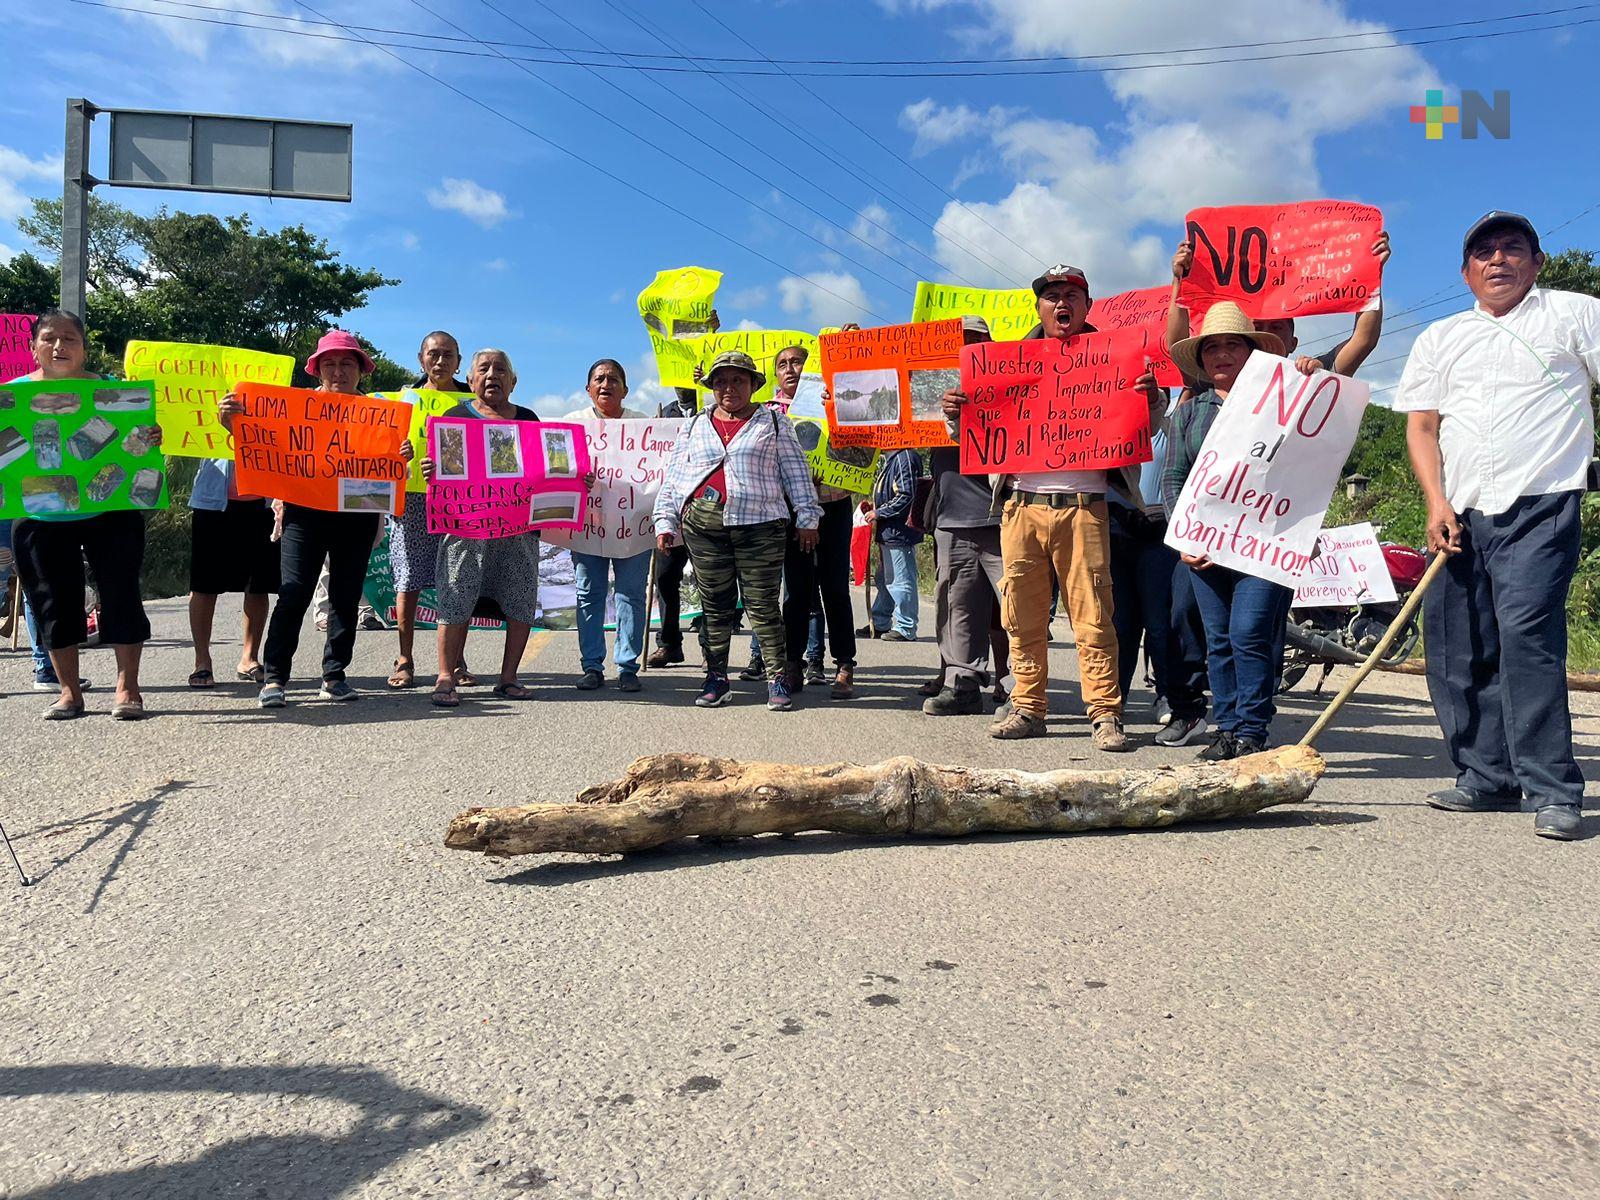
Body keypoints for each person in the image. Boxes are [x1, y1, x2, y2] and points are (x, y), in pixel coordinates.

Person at [1396, 210, 1599, 841]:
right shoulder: (1441, 337)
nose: (1498, 260)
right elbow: (1422, 428)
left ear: (1536, 262)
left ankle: (1551, 788)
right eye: (1484, 252)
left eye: (1513, 248)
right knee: (1456, 645)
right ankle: (1485, 775)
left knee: (1527, 640)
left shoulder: (1573, 313)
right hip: (1458, 513)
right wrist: (1435, 503)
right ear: (1465, 273)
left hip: (1541, 504)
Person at [942, 265, 1167, 749]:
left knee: (1093, 614)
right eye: (1052, 297)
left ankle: (1105, 714)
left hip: (1085, 509)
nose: (1061, 303)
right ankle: (1028, 705)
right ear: (1040, 308)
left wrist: (1150, 400)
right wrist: (957, 416)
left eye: (1072, 296)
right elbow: (970, 441)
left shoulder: (1116, 362)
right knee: (1020, 615)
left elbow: (1149, 423)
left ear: (1087, 307)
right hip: (1020, 508)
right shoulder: (1005, 364)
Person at [222, 329, 412, 708]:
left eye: (346, 363)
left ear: (360, 369)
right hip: (302, 514)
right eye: (330, 364)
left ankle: (334, 674)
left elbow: (389, 473)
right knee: (293, 593)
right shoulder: (295, 407)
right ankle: (275, 678)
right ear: (317, 370)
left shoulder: (380, 415)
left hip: (356, 515)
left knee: (345, 595)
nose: (338, 371)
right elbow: (257, 446)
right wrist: (233, 425)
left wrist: (399, 455)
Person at [653, 350, 821, 712]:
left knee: (762, 606)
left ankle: (777, 678)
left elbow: (796, 473)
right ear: (712, 386)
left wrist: (808, 516)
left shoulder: (773, 423)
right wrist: (665, 520)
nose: (729, 387)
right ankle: (717, 678)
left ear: (753, 385)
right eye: (721, 381)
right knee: (715, 606)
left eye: (738, 380)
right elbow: (674, 478)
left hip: (761, 526)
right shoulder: (695, 425)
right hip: (704, 526)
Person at [10, 308, 156, 719]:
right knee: (51, 602)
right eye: (50, 338)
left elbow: (138, 445)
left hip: (110, 508)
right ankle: (69, 692)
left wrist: (151, 436)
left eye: (70, 338)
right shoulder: (10, 397)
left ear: (84, 349)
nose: (60, 346)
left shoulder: (115, 393)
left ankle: (128, 688)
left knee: (121, 593)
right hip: (39, 514)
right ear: (35, 347)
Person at [1161, 304, 1290, 760]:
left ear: (1252, 351)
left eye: (1231, 344)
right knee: (1217, 638)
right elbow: (1173, 478)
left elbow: (1310, 464)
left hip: (1265, 543)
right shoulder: (1190, 414)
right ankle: (1228, 727)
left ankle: (1253, 729)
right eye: (1211, 347)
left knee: (1249, 631)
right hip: (1205, 549)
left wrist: (1311, 378)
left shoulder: (1284, 404)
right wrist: (1186, 538)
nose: (1221, 354)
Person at [422, 349, 542, 707]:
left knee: (520, 598)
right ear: (470, 380)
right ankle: (446, 675)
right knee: (455, 596)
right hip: (466, 528)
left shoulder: (530, 420)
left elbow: (547, 470)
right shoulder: (455, 418)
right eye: (484, 369)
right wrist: (433, 472)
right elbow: (447, 471)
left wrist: (571, 478)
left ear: (513, 381)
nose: (493, 375)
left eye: (500, 369)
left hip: (518, 531)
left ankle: (509, 678)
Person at [923, 316, 1009, 716]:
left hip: (1002, 515)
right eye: (962, 341)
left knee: (1017, 606)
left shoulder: (1011, 388)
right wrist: (836, 404)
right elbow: (880, 422)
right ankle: (962, 684)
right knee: (956, 605)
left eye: (978, 340)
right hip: (951, 518)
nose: (969, 347)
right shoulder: (930, 391)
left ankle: (1019, 685)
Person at [386, 330, 473, 690]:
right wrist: (398, 450)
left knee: (457, 579)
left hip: (460, 500)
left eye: (448, 355)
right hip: (412, 499)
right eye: (433, 354)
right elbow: (378, 449)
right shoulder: (401, 402)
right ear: (420, 358)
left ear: (459, 360)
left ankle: (455, 660)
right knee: (408, 578)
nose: (440, 362)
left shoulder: (474, 403)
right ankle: (404, 659)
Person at [773, 344, 858, 700]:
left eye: (797, 362)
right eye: (782, 364)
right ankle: (792, 663)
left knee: (835, 587)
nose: (790, 369)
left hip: (835, 505)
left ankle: (845, 663)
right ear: (775, 374)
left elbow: (862, 447)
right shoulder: (769, 414)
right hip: (793, 512)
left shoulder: (838, 401)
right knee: (796, 590)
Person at [564, 358, 652, 692]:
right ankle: (592, 666)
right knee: (590, 595)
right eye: (599, 379)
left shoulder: (644, 426)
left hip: (633, 528)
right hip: (588, 527)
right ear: (588, 389)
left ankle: (627, 666)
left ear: (625, 390)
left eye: (613, 379)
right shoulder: (572, 425)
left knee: (631, 595)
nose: (606, 384)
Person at [186, 456, 278, 689]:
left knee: (258, 584)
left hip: (263, 497)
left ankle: (250, 657)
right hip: (212, 500)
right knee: (203, 584)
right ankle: (201, 660)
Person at [646, 386, 698, 668]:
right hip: (672, 511)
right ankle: (668, 644)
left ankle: (709, 649)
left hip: (705, 510)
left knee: (711, 581)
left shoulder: (713, 409)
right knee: (665, 578)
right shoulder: (664, 415)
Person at [862, 448, 924, 641]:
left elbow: (906, 495)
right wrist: (875, 508)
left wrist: (880, 513)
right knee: (885, 578)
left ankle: (906, 626)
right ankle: (880, 622)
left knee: (900, 579)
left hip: (899, 531)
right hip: (889, 531)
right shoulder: (894, 458)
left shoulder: (904, 457)